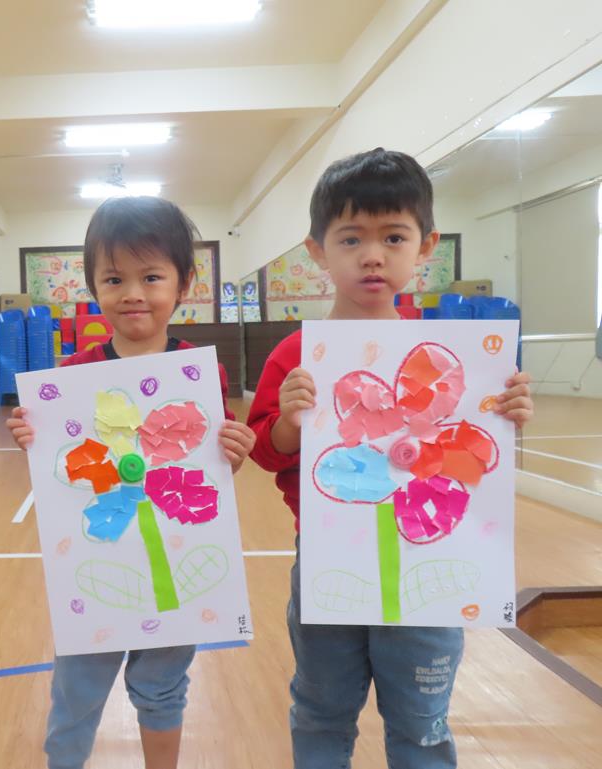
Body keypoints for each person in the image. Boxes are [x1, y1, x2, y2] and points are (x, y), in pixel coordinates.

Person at [247, 148, 534, 769]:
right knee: (321, 709)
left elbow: (477, 454)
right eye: (351, 238)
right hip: (328, 559)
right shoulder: (295, 355)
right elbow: (266, 452)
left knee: (421, 720)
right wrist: (290, 422)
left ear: (425, 246)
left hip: (429, 558)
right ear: (318, 250)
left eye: (393, 237)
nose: (372, 255)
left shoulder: (450, 357)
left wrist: (507, 411)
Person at [7, 196, 257, 769]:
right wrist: (32, 435)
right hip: (100, 556)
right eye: (114, 279)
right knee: (76, 690)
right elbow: (63, 468)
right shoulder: (72, 375)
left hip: (172, 555)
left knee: (163, 688)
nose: (133, 293)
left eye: (151, 277)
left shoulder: (201, 373)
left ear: (184, 283)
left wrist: (234, 450)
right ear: (94, 287)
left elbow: (212, 466)